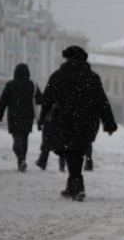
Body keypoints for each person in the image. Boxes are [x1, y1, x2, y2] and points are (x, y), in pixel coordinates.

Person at [38, 46, 117, 201]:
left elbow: (47, 100)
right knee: (78, 151)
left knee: (70, 151)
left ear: (67, 58)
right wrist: (109, 123)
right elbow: (102, 101)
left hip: (64, 120)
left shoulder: (58, 76)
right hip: (87, 121)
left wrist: (41, 119)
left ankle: (76, 184)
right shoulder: (92, 77)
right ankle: (74, 183)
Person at [0, 63, 42, 171]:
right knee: (24, 139)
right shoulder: (32, 85)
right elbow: (40, 100)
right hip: (27, 116)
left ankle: (20, 160)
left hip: (14, 116)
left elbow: (3, 100)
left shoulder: (10, 84)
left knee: (17, 138)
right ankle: (22, 160)